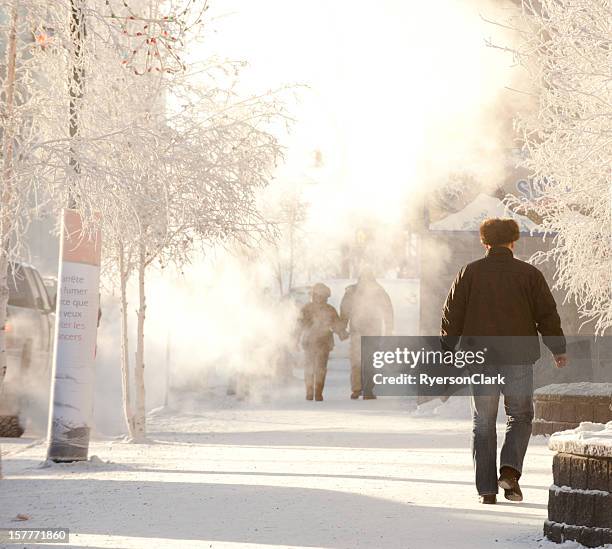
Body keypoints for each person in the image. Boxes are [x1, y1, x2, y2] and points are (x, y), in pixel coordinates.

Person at [441, 218, 567, 505]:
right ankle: (509, 471)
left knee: (483, 422)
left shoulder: (468, 273)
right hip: (518, 358)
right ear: (513, 241)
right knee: (520, 416)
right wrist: (557, 348)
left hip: (480, 358)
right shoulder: (529, 274)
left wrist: (447, 349)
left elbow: (452, 315)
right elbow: (547, 314)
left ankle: (487, 489)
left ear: (484, 242)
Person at [340, 267, 393, 400]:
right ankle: (367, 390)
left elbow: (344, 310)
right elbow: (388, 311)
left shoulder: (353, 291)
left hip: (360, 330)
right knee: (368, 360)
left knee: (357, 360)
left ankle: (357, 390)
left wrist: (343, 328)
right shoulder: (378, 290)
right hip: (371, 330)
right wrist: (388, 329)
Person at [297, 283, 345, 401]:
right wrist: (342, 333)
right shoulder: (325, 309)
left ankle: (315, 392)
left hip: (320, 343)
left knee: (317, 368)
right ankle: (312, 393)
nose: (322, 298)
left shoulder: (310, 308)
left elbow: (336, 324)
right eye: (321, 296)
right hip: (315, 342)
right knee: (314, 368)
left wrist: (342, 332)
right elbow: (299, 326)